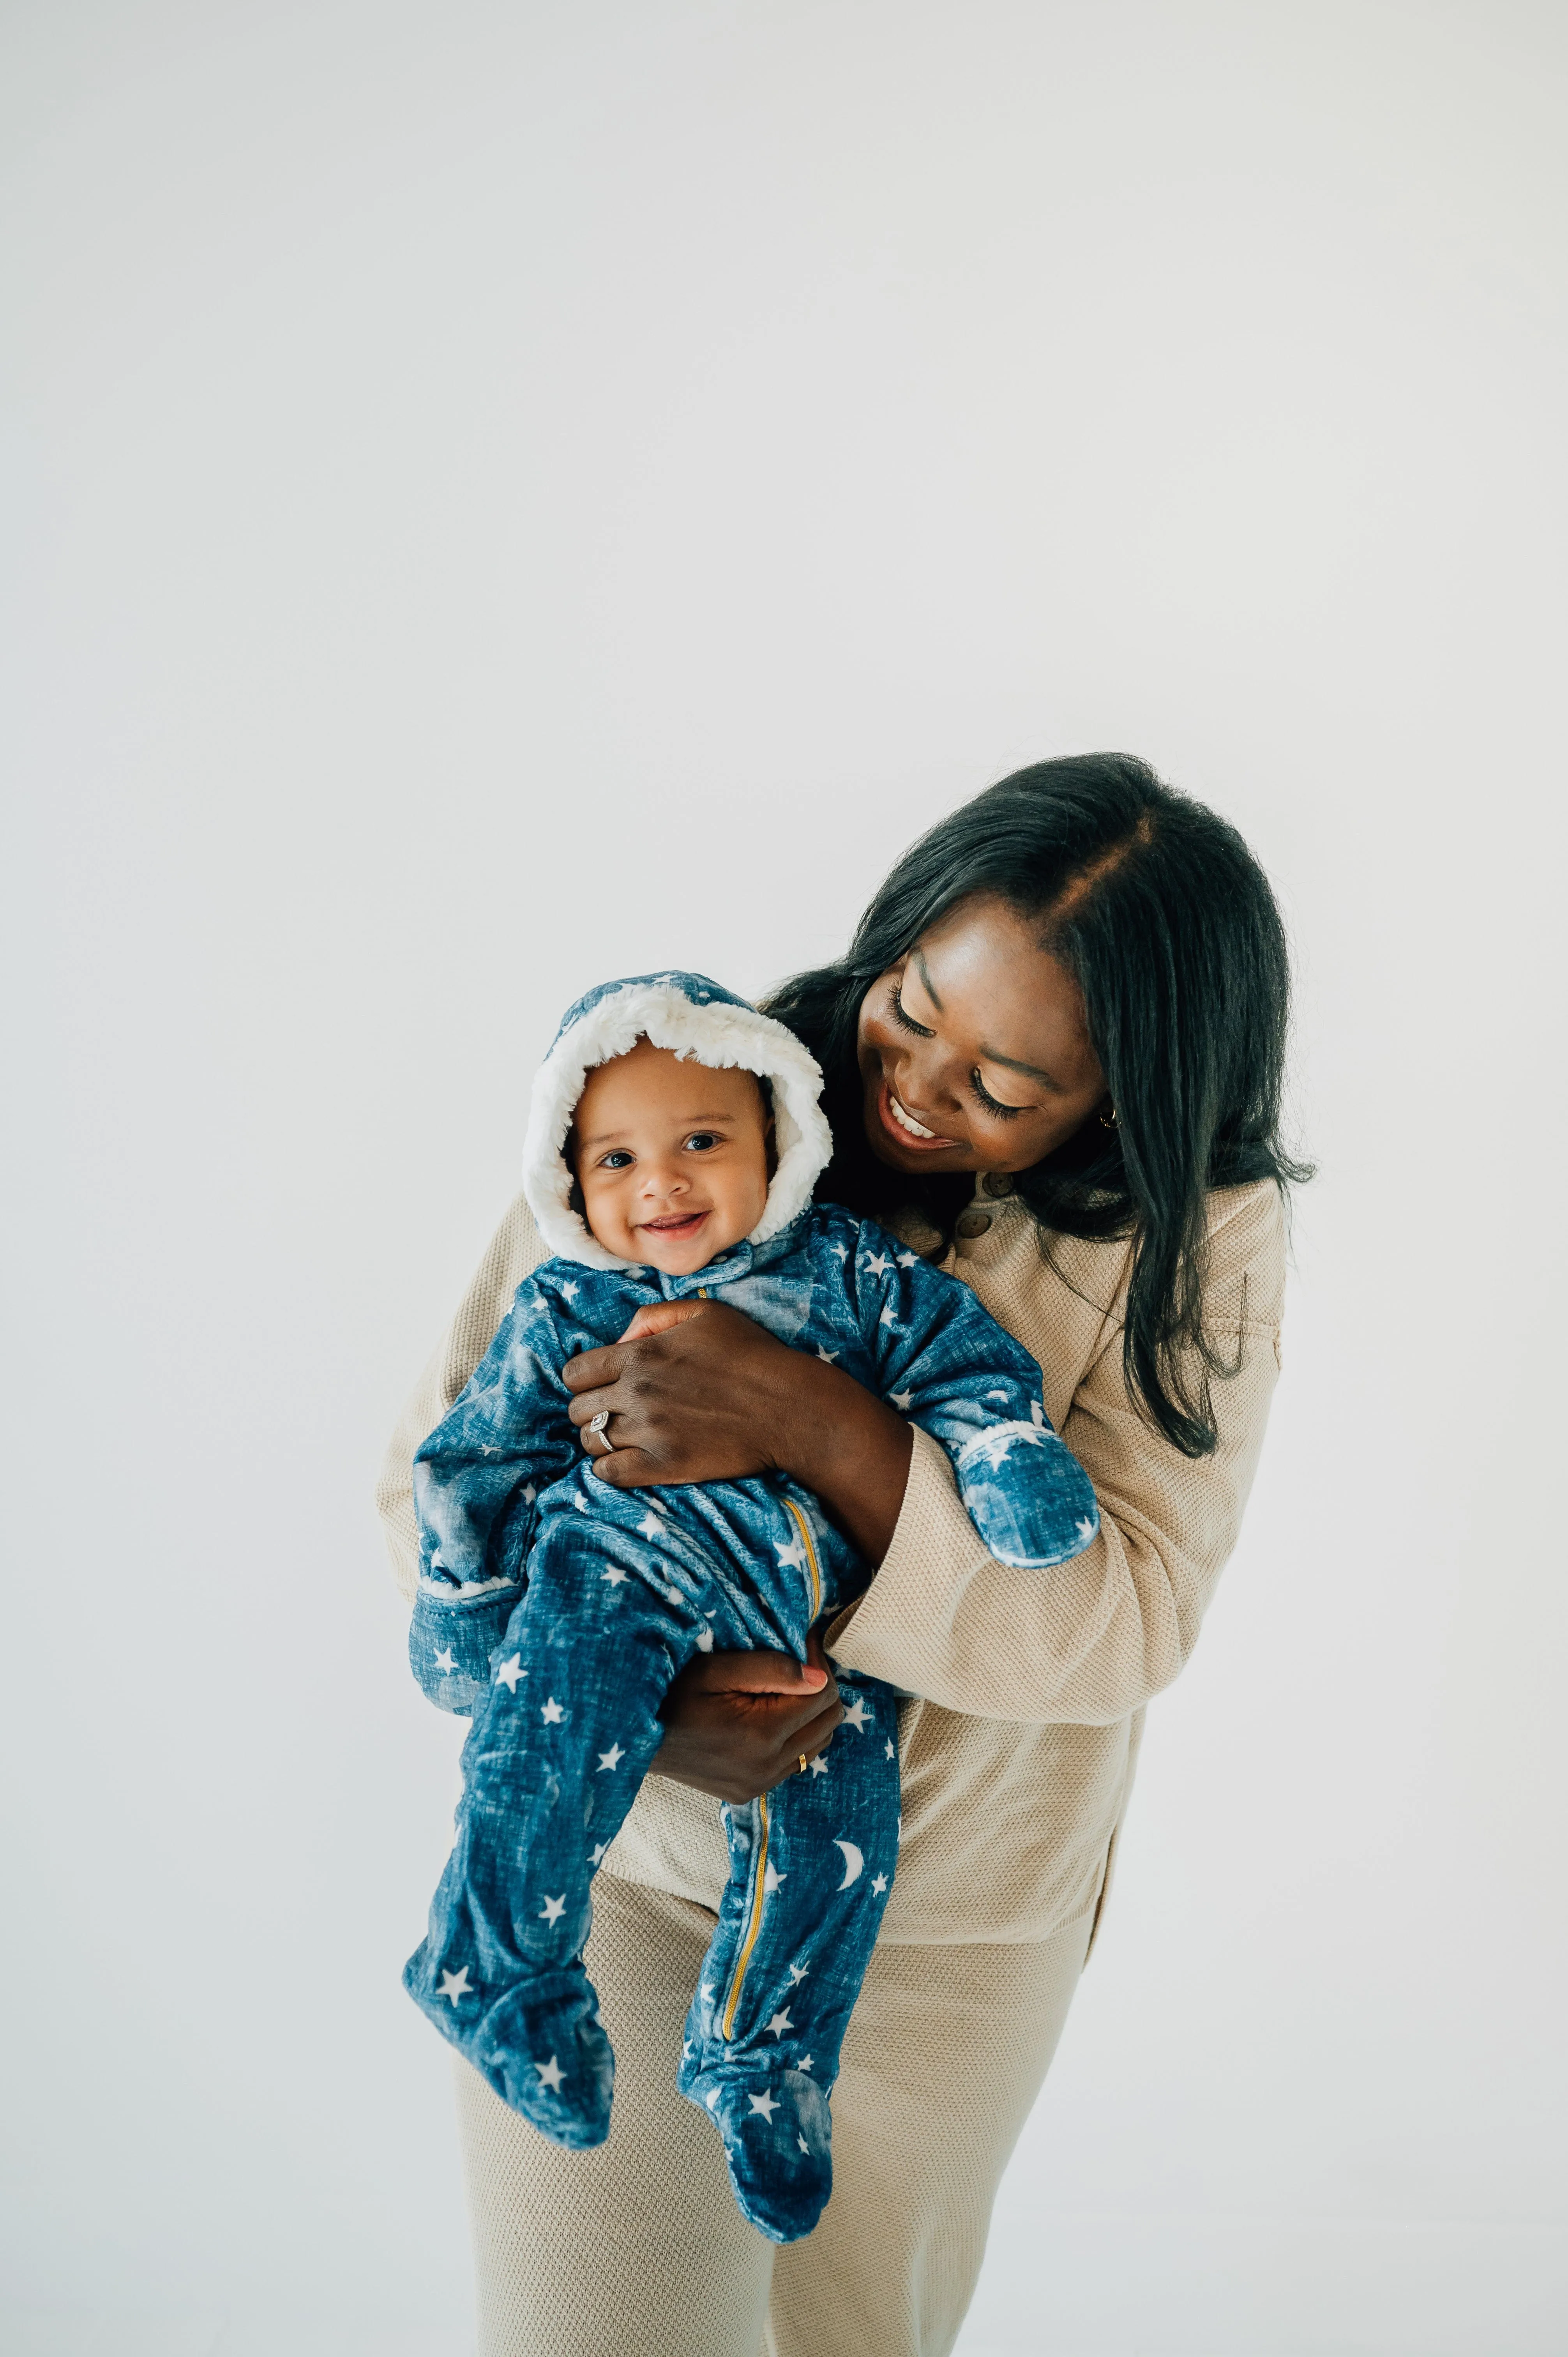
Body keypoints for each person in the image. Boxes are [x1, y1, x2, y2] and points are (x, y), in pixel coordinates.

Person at [377, 752, 1304, 2357]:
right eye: (912, 1005)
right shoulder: (681, 1097)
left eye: (1005, 1085)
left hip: (950, 1937)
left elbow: (1131, 1613)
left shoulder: (1191, 1231)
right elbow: (441, 1480)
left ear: (1129, 1098)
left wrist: (821, 1425)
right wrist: (638, 1727)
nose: (921, 1089)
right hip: (629, 1871)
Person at [401, 971, 1099, 2243]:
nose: (659, 1185)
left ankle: (766, 2061)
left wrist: (1005, 1458)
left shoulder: (848, 1273)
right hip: (610, 1579)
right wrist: (466, 1614)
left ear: (782, 1145)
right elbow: (472, 1460)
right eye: (616, 1159)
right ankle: (493, 1960)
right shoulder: (564, 1300)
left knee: (841, 1842)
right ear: (567, 1179)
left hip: (819, 1629)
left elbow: (962, 1362)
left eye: (702, 1144)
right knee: (544, 1749)